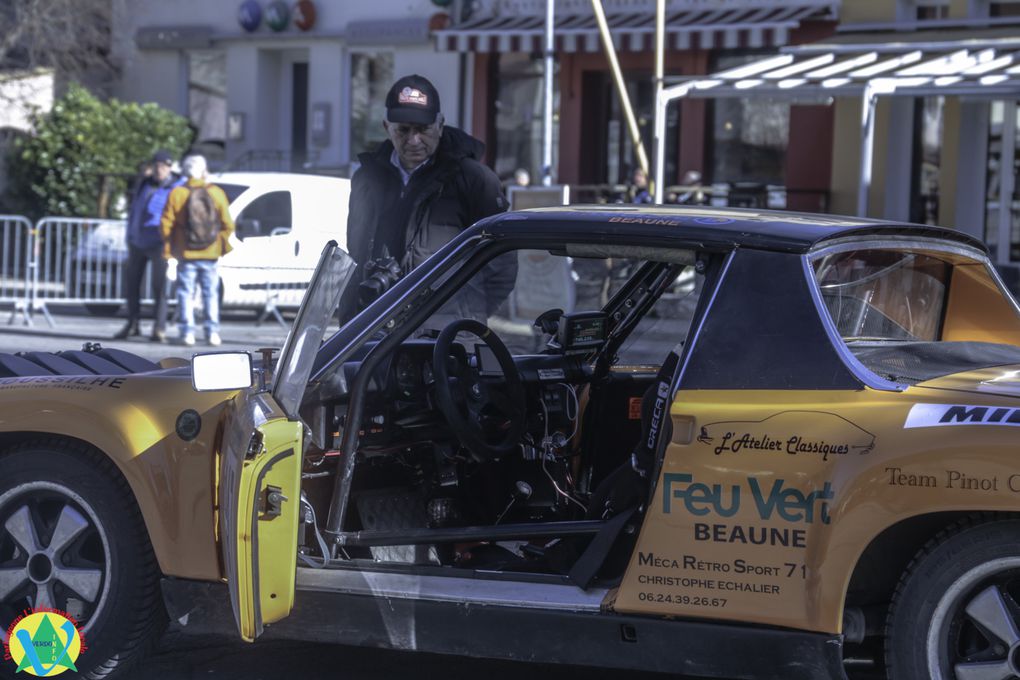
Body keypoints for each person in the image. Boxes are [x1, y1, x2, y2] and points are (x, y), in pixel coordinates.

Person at [345, 74, 514, 321]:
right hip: (373, 327)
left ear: (440, 125)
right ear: (386, 128)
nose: (413, 140)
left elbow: (502, 262)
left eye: (423, 129)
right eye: (403, 130)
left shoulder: (473, 178)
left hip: (445, 338)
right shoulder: (366, 178)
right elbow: (356, 250)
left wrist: (465, 316)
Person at [160, 154, 234, 347]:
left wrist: (169, 249)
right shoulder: (216, 192)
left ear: (185, 171)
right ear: (203, 170)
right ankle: (212, 333)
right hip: (210, 252)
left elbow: (166, 224)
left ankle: (187, 333)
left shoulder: (177, 193)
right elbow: (228, 223)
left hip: (186, 252)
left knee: (185, 292)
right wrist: (220, 243)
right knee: (210, 293)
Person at [114, 150, 183, 342]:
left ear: (170, 168)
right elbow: (135, 209)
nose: (159, 169)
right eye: (157, 166)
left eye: (164, 166)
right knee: (132, 283)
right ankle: (132, 324)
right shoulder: (144, 183)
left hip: (161, 243)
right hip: (137, 241)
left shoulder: (177, 187)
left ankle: (158, 328)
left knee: (159, 287)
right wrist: (130, 236)